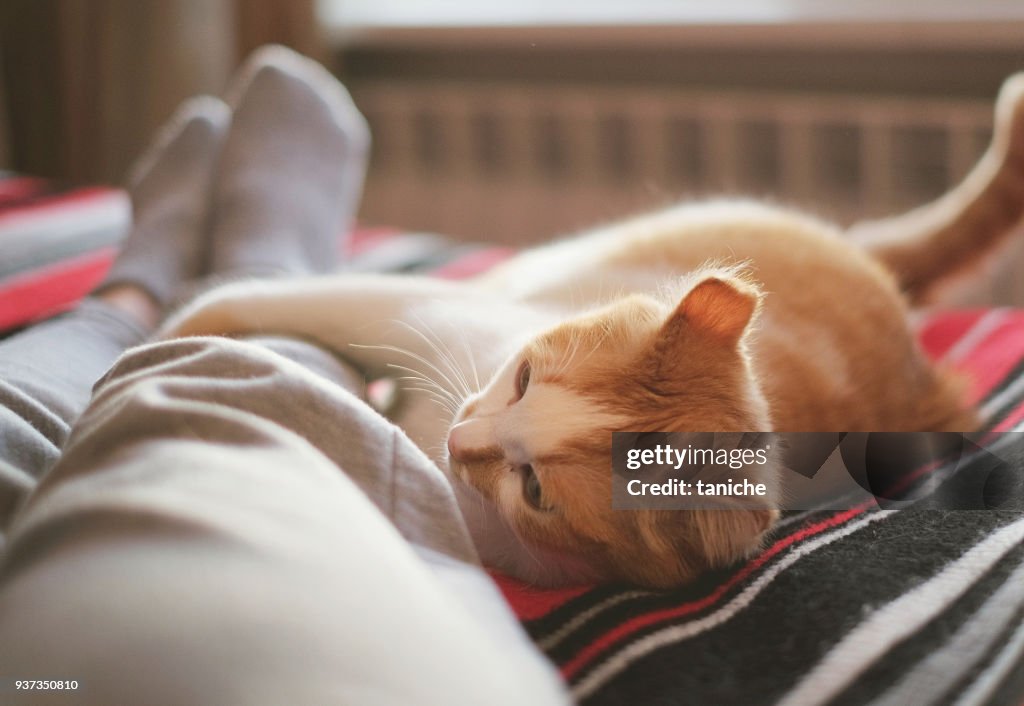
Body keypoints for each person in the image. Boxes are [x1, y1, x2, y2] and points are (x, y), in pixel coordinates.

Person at [0, 46, 568, 706]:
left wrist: (703, 475)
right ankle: (232, 287)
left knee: (15, 415)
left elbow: (714, 479)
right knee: (240, 404)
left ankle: (128, 303)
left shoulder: (703, 474)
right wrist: (705, 470)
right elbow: (712, 471)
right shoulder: (704, 469)